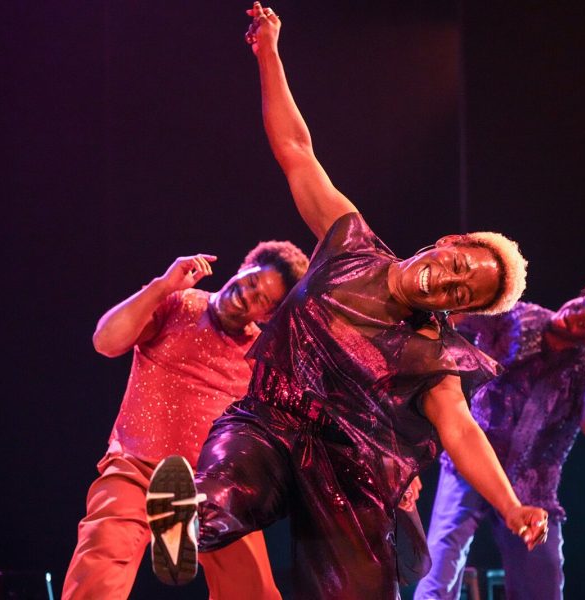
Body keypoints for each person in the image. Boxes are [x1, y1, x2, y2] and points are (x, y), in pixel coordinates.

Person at [146, 4, 549, 599]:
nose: (448, 283)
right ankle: (192, 518)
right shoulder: (349, 241)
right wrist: (269, 53)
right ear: (449, 243)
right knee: (232, 470)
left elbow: (461, 432)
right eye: (459, 267)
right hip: (270, 422)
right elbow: (295, 148)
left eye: (463, 294)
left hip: (351, 470)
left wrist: (513, 508)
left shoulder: (433, 353)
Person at [62, 241, 309, 600]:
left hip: (213, 488)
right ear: (244, 267)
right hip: (136, 465)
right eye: (253, 281)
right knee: (102, 553)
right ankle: (172, 522)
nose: (247, 296)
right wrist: (163, 284)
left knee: (253, 588)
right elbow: (106, 341)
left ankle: (182, 524)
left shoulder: (262, 357)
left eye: (262, 300)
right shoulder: (178, 302)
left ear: (268, 316)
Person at [414, 276, 585, 600]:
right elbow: (460, 316)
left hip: (532, 483)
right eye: (578, 306)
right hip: (472, 461)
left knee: (542, 583)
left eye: (582, 322)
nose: (571, 314)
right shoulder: (518, 317)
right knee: (441, 563)